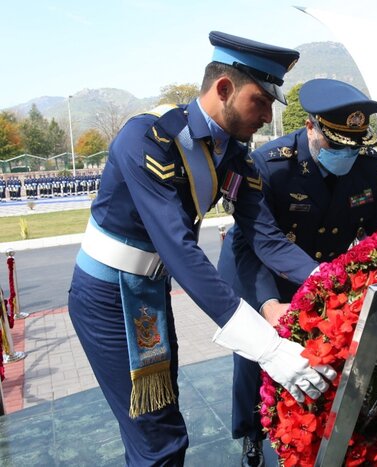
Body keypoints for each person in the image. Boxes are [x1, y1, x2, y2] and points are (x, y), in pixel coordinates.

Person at [67, 31, 337, 466]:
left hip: (148, 293)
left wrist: (335, 282)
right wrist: (265, 347)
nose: (268, 117)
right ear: (225, 89)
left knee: (159, 425)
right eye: (262, 101)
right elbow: (179, 251)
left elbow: (265, 236)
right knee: (159, 439)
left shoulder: (231, 154)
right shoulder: (148, 139)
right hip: (108, 297)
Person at [218, 78, 377, 467]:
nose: (346, 155)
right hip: (260, 272)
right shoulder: (269, 166)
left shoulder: (365, 166)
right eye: (336, 145)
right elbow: (252, 245)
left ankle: (314, 429)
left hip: (320, 271)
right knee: (256, 357)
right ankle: (252, 431)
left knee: (321, 352)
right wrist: (267, 304)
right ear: (311, 126)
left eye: (353, 145)